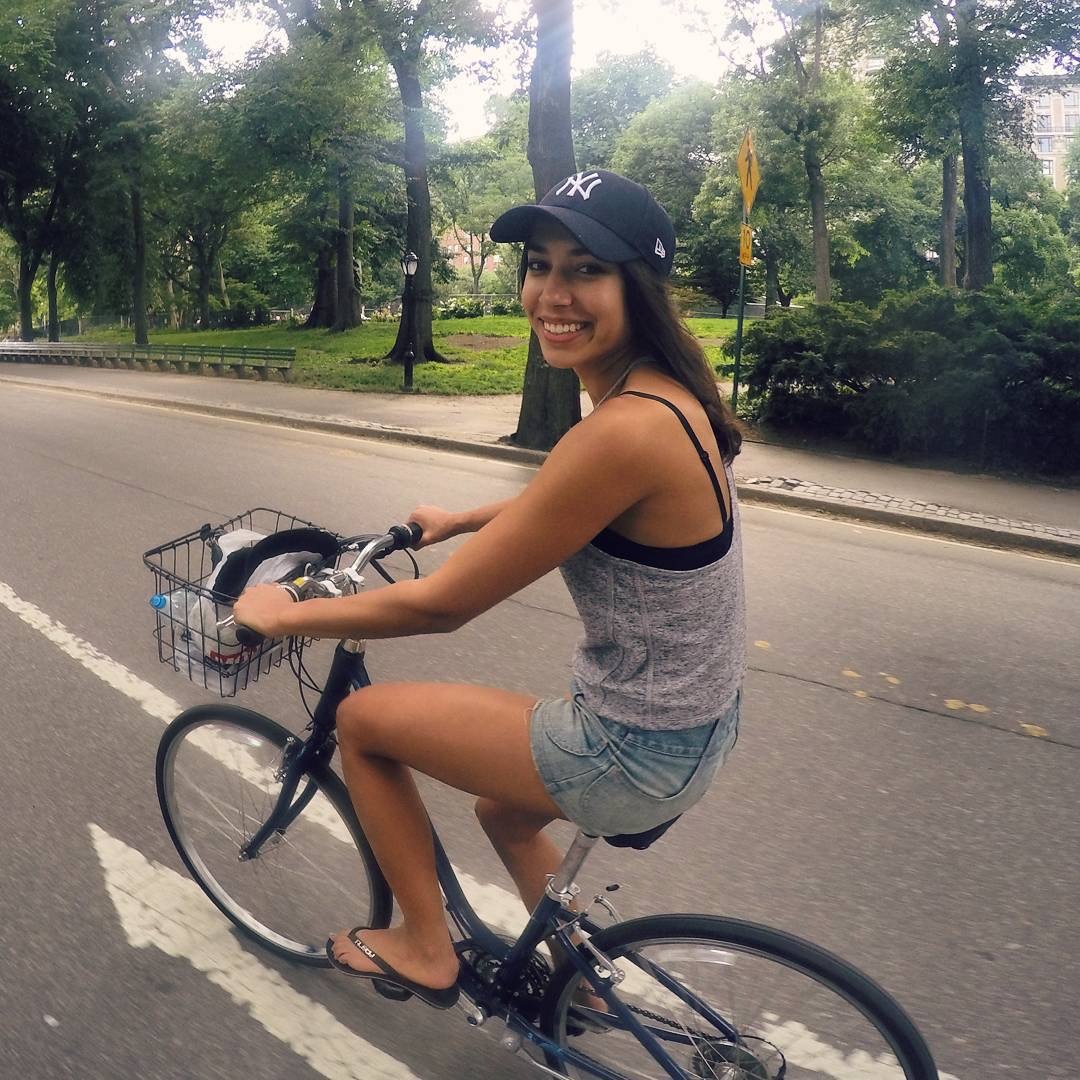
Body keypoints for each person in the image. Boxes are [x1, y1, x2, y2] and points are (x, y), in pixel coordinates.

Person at [233, 169, 746, 1010]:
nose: (552, 293)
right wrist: (463, 519)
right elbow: (575, 507)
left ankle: (423, 947)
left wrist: (287, 612)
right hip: (699, 727)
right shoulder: (667, 399)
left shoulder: (620, 431)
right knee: (502, 812)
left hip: (634, 749)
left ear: (639, 287)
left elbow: (442, 606)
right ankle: (580, 983)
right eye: (540, 265)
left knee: (363, 724)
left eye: (586, 269)